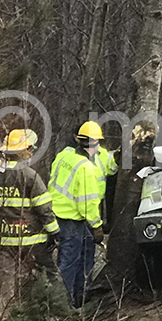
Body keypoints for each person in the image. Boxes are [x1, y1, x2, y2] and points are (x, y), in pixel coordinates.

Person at [0, 129, 60, 321]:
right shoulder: (30, 176)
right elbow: (44, 209)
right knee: (47, 276)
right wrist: (54, 232)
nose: (32, 151)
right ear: (21, 151)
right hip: (32, 240)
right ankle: (53, 314)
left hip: (3, 240)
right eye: (30, 148)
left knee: (5, 285)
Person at [49, 121, 105, 308]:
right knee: (69, 262)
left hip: (56, 215)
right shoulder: (86, 168)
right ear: (95, 143)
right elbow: (87, 205)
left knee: (72, 258)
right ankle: (63, 305)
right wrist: (97, 226)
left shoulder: (64, 156)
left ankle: (77, 298)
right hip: (73, 220)